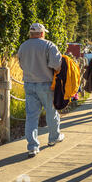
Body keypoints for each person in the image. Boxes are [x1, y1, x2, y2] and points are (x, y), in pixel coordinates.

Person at [17, 23, 65, 158]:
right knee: (51, 111)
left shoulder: (23, 46)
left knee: (31, 116)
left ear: (30, 33)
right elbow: (56, 65)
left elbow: (21, 64)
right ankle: (53, 137)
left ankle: (32, 146)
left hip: (29, 83)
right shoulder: (49, 45)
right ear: (42, 33)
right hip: (46, 83)